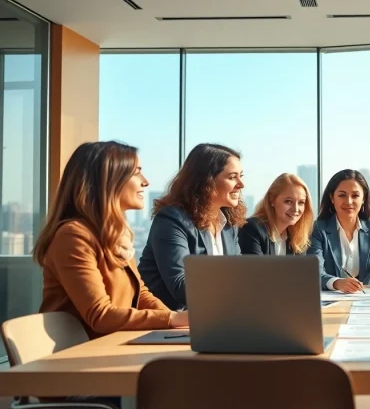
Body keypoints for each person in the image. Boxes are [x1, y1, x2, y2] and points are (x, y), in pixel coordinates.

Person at [35, 141, 188, 339]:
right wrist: (172, 320)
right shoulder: (73, 236)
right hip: (77, 356)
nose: (146, 181)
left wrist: (177, 321)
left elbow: (140, 295)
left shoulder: (116, 236)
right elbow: (100, 315)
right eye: (136, 172)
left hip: (112, 345)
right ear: (108, 180)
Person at [139, 143, 246, 310]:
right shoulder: (171, 219)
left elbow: (240, 277)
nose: (241, 184)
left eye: (241, 176)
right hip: (168, 325)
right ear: (207, 181)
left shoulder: (228, 225)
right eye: (232, 177)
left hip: (215, 320)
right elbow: (181, 285)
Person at [309, 169, 370, 292]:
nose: (349, 201)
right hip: (331, 301)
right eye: (342, 195)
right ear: (332, 198)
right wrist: (337, 283)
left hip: (367, 301)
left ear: (363, 198)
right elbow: (314, 272)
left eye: (355, 195)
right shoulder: (317, 229)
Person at [239, 173, 314, 255]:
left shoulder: (297, 237)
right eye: (288, 201)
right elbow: (256, 268)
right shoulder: (252, 228)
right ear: (272, 199)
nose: (295, 209)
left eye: (301, 202)